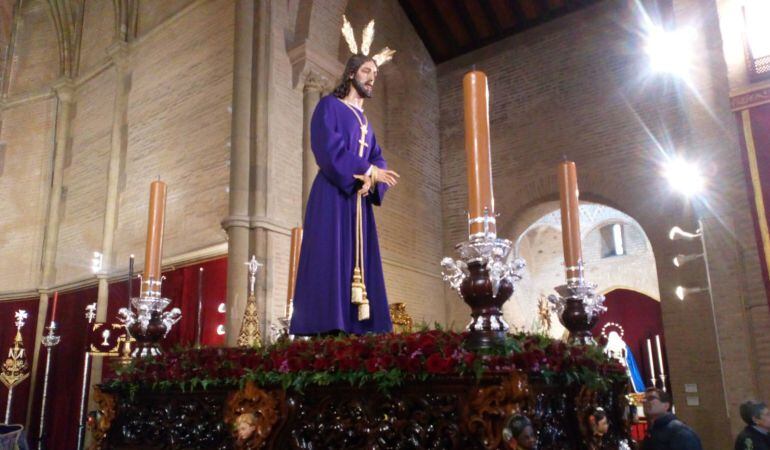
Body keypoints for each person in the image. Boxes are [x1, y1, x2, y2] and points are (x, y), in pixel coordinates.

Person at [290, 17, 399, 336]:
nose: (371, 78)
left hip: (358, 201)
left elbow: (376, 156)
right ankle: (329, 324)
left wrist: (374, 177)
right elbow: (327, 147)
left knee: (361, 259)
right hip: (333, 196)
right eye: (366, 71)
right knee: (331, 256)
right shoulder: (329, 107)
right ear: (351, 73)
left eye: (375, 74)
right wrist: (366, 171)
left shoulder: (366, 123)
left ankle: (360, 326)